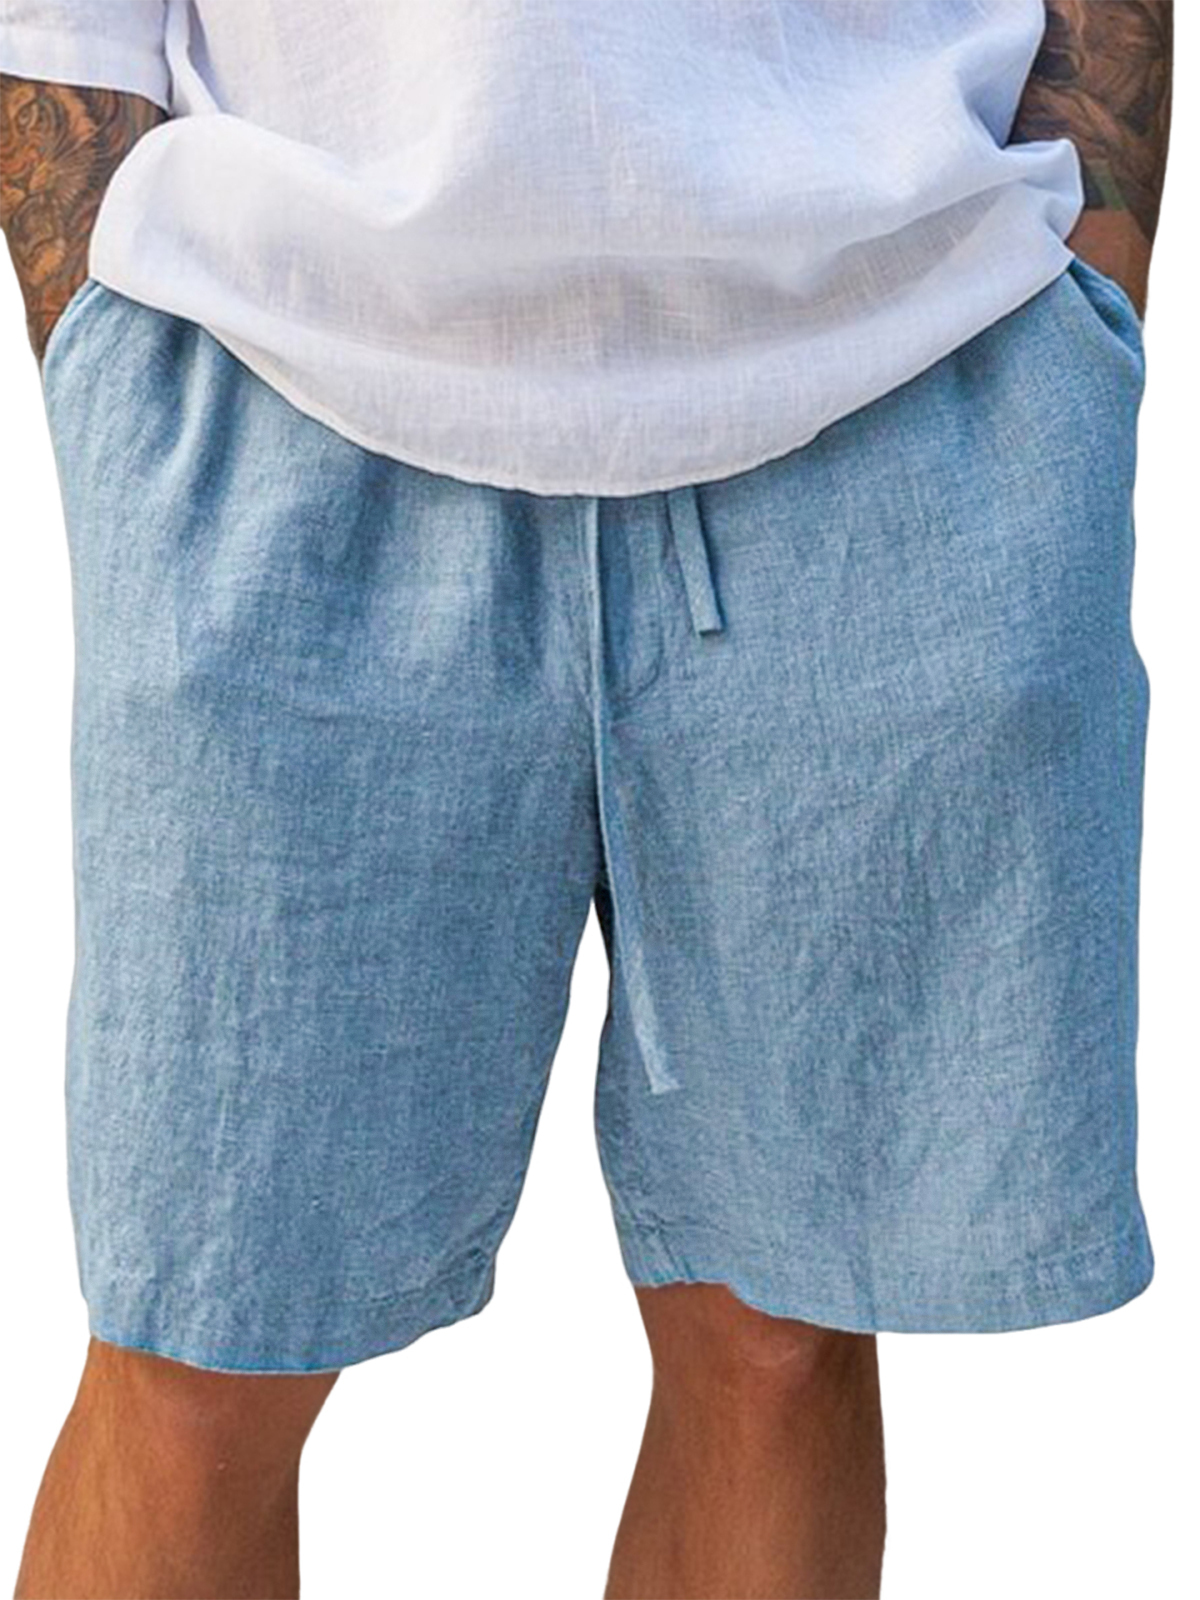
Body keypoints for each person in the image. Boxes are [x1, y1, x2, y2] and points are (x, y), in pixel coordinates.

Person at [0, 2, 1173, 1595]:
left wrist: (1084, 311)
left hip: (902, 345)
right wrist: (101, 352)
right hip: (283, 353)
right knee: (201, 1354)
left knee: (780, 1338)